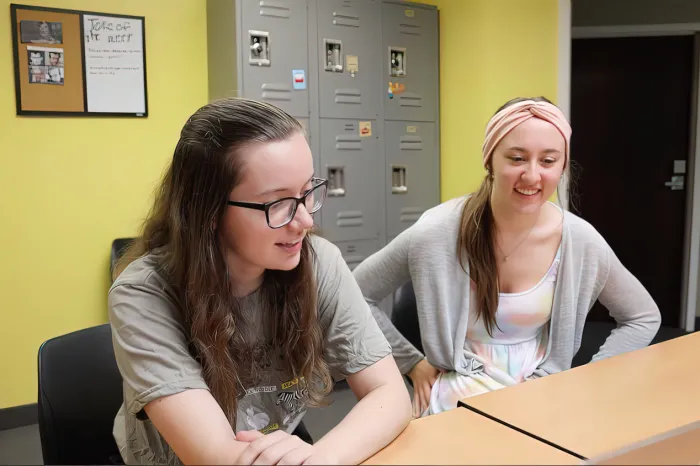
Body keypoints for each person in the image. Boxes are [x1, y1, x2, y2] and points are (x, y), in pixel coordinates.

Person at [109, 97, 411, 465]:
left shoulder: (319, 264)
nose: (305, 222)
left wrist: (323, 457)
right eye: (277, 204)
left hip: (277, 449)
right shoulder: (143, 294)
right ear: (208, 212)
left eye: (306, 193)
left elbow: (391, 394)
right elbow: (216, 457)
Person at [353, 97, 661, 419]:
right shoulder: (436, 232)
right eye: (517, 158)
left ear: (562, 166)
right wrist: (410, 363)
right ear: (490, 160)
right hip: (457, 399)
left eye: (548, 161)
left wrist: (587, 379)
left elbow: (642, 317)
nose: (531, 176)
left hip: (541, 397)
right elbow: (355, 294)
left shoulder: (579, 241)